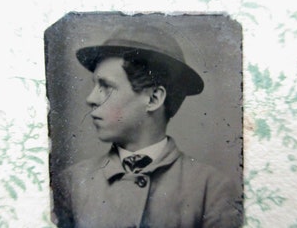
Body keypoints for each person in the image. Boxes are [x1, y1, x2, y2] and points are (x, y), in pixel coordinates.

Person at [52, 24, 242, 228]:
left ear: (153, 98)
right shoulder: (71, 185)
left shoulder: (211, 190)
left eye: (106, 87)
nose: (91, 99)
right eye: (94, 86)